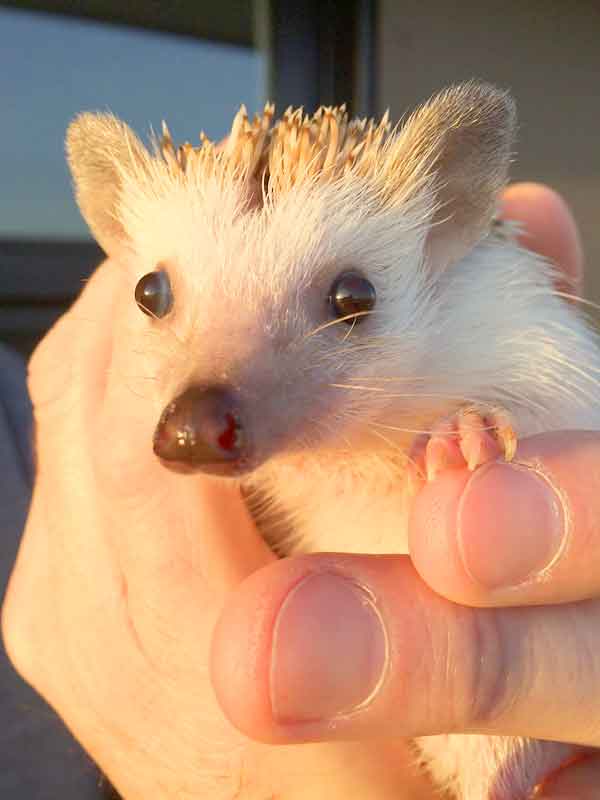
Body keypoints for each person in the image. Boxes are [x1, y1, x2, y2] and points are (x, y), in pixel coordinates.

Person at [3, 183, 600, 799]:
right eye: (160, 298)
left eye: (346, 301)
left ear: (444, 234)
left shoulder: (499, 325)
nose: (216, 385)